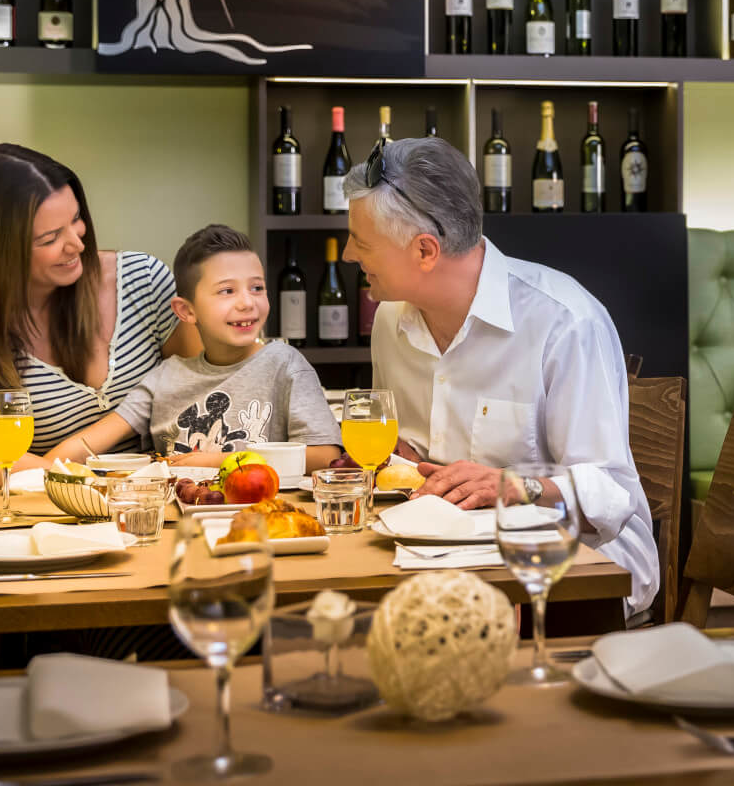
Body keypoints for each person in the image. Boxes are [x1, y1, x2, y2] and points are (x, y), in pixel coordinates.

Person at [344, 137, 657, 615]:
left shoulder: (565, 321)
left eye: (362, 242)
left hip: (575, 569)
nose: (348, 254)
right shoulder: (391, 321)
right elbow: (421, 459)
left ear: (425, 251)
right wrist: (402, 459)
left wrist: (515, 486)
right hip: (444, 558)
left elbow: (610, 491)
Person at [0, 144, 199, 487]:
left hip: (161, 499)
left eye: (76, 220)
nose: (77, 245)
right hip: (46, 516)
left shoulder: (142, 279)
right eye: (51, 237)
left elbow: (202, 385)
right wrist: (23, 469)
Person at [51, 224, 342, 471]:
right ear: (186, 311)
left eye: (257, 288)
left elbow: (324, 455)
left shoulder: (286, 364)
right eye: (227, 291)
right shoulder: (164, 378)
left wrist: (214, 462)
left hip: (262, 520)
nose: (247, 302)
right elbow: (87, 443)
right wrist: (38, 469)